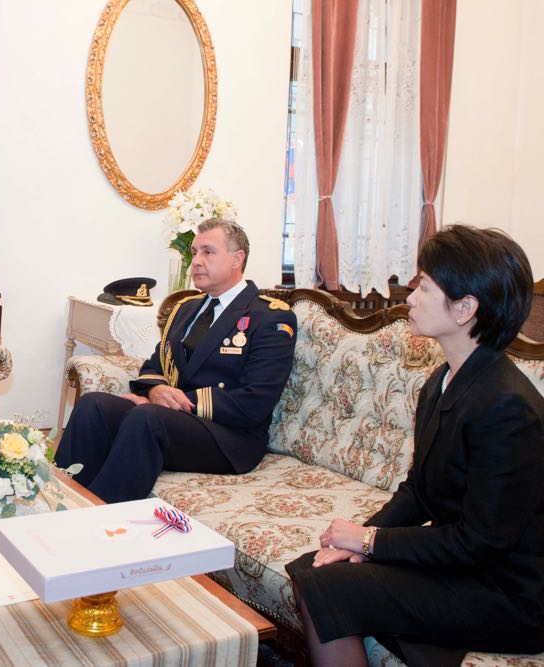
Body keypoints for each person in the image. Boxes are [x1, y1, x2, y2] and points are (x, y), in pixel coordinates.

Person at [286, 225, 544, 667]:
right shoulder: (441, 382)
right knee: (317, 565)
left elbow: (478, 544)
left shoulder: (508, 408)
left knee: (327, 585)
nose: (410, 294)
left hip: (506, 591)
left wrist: (369, 540)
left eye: (424, 285)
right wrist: (354, 543)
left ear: (465, 308)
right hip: (466, 565)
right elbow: (420, 491)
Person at [55, 218, 297, 503]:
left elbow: (255, 400)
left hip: (231, 437)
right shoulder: (187, 309)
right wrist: (156, 390)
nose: (196, 261)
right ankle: (63, 504)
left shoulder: (269, 316)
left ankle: (102, 521)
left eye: (208, 252)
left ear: (237, 259)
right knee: (93, 405)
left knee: (148, 417)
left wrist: (176, 404)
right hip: (176, 422)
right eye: (195, 252)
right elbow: (155, 365)